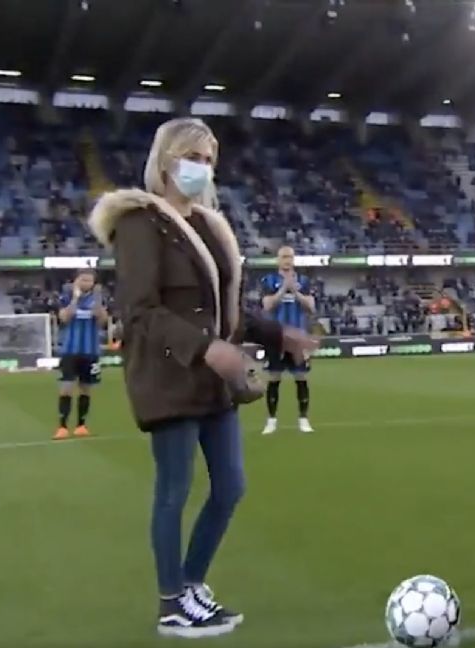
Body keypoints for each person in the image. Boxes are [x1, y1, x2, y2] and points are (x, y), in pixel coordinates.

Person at [87, 117, 316, 638]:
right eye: (193, 157)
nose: (202, 168)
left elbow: (224, 308)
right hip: (170, 376)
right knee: (174, 489)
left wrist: (280, 335)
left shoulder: (211, 227)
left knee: (230, 486)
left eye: (209, 159)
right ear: (166, 160)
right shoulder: (140, 224)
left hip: (214, 381)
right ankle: (171, 604)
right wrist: (207, 348)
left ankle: (191, 584)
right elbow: (140, 311)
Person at [260, 246, 317, 435]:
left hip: (297, 338)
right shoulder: (269, 280)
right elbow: (267, 306)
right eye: (284, 257)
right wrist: (284, 288)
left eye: (290, 257)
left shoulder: (304, 281)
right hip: (276, 337)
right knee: (274, 377)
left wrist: (296, 292)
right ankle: (271, 420)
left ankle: (303, 419)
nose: (287, 260)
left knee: (301, 378)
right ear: (278, 260)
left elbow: (311, 307)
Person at [53, 269, 109, 440]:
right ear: (76, 281)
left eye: (89, 280)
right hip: (70, 350)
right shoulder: (66, 297)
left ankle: (81, 425)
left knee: (86, 388)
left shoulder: (97, 298)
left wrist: (98, 300)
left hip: (90, 350)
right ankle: (62, 426)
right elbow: (64, 318)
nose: (86, 283)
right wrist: (75, 299)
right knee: (66, 388)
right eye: (83, 279)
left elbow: (102, 320)